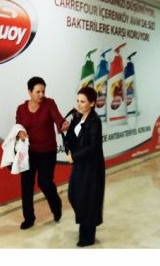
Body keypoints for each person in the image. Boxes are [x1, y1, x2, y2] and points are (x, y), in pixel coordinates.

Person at [15, 76, 70, 230]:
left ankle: (56, 205)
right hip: (28, 154)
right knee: (26, 186)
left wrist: (63, 125)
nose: (41, 95)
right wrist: (20, 133)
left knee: (45, 182)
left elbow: (58, 119)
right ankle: (29, 218)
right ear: (29, 92)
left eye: (43, 91)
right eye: (38, 92)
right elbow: (18, 126)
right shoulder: (21, 109)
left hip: (47, 152)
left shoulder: (49, 103)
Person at [65, 86, 105, 247]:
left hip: (91, 167)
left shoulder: (95, 121)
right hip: (79, 165)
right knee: (74, 195)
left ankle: (87, 236)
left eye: (83, 102)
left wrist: (74, 156)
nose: (79, 104)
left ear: (92, 103)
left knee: (88, 199)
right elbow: (71, 137)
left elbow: (93, 147)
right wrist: (68, 147)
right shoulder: (77, 117)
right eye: (78, 101)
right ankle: (86, 228)